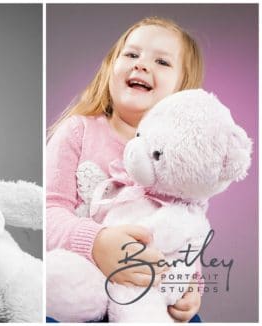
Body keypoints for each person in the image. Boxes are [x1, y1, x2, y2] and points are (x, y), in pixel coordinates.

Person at [45, 16, 204, 322]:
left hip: (150, 295)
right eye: (131, 55)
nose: (142, 65)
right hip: (81, 290)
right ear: (110, 68)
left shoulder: (179, 158)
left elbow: (190, 226)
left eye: (161, 61)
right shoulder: (78, 132)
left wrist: (191, 284)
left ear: (183, 89)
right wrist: (96, 242)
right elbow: (49, 210)